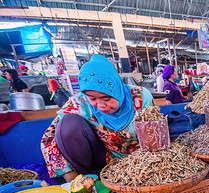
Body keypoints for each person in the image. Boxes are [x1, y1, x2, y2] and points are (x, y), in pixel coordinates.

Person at [41, 54, 155, 182]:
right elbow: (48, 139)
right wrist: (73, 180)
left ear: (117, 88)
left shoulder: (140, 96)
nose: (100, 105)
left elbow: (155, 135)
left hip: (143, 162)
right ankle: (93, 179)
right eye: (92, 98)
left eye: (107, 98)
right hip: (103, 161)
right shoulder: (80, 102)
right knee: (68, 124)